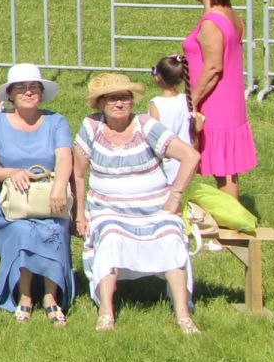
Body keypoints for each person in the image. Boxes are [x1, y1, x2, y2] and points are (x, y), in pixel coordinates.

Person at [72, 72, 202, 334]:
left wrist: (175, 195)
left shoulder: (146, 125)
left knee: (171, 236)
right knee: (108, 235)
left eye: (125, 98)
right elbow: (78, 173)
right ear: (100, 104)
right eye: (111, 99)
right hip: (107, 209)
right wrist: (80, 215)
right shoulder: (91, 127)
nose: (119, 104)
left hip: (154, 208)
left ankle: (183, 314)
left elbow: (190, 155)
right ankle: (106, 312)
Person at [0, 64, 75, 324]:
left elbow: (64, 158)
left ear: (42, 93)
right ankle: (24, 295)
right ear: (10, 94)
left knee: (54, 226)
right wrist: (11, 172)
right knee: (22, 230)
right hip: (14, 201)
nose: (28, 92)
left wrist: (58, 187)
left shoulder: (56, 121)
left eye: (34, 87)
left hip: (48, 195)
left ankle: (50, 296)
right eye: (21, 88)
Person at [185, 0, 256, 198]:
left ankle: (227, 227)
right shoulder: (232, 15)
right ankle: (228, 222)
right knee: (228, 170)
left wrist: (191, 100)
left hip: (215, 101)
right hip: (231, 100)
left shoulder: (211, 21)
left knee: (222, 169)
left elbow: (214, 68)